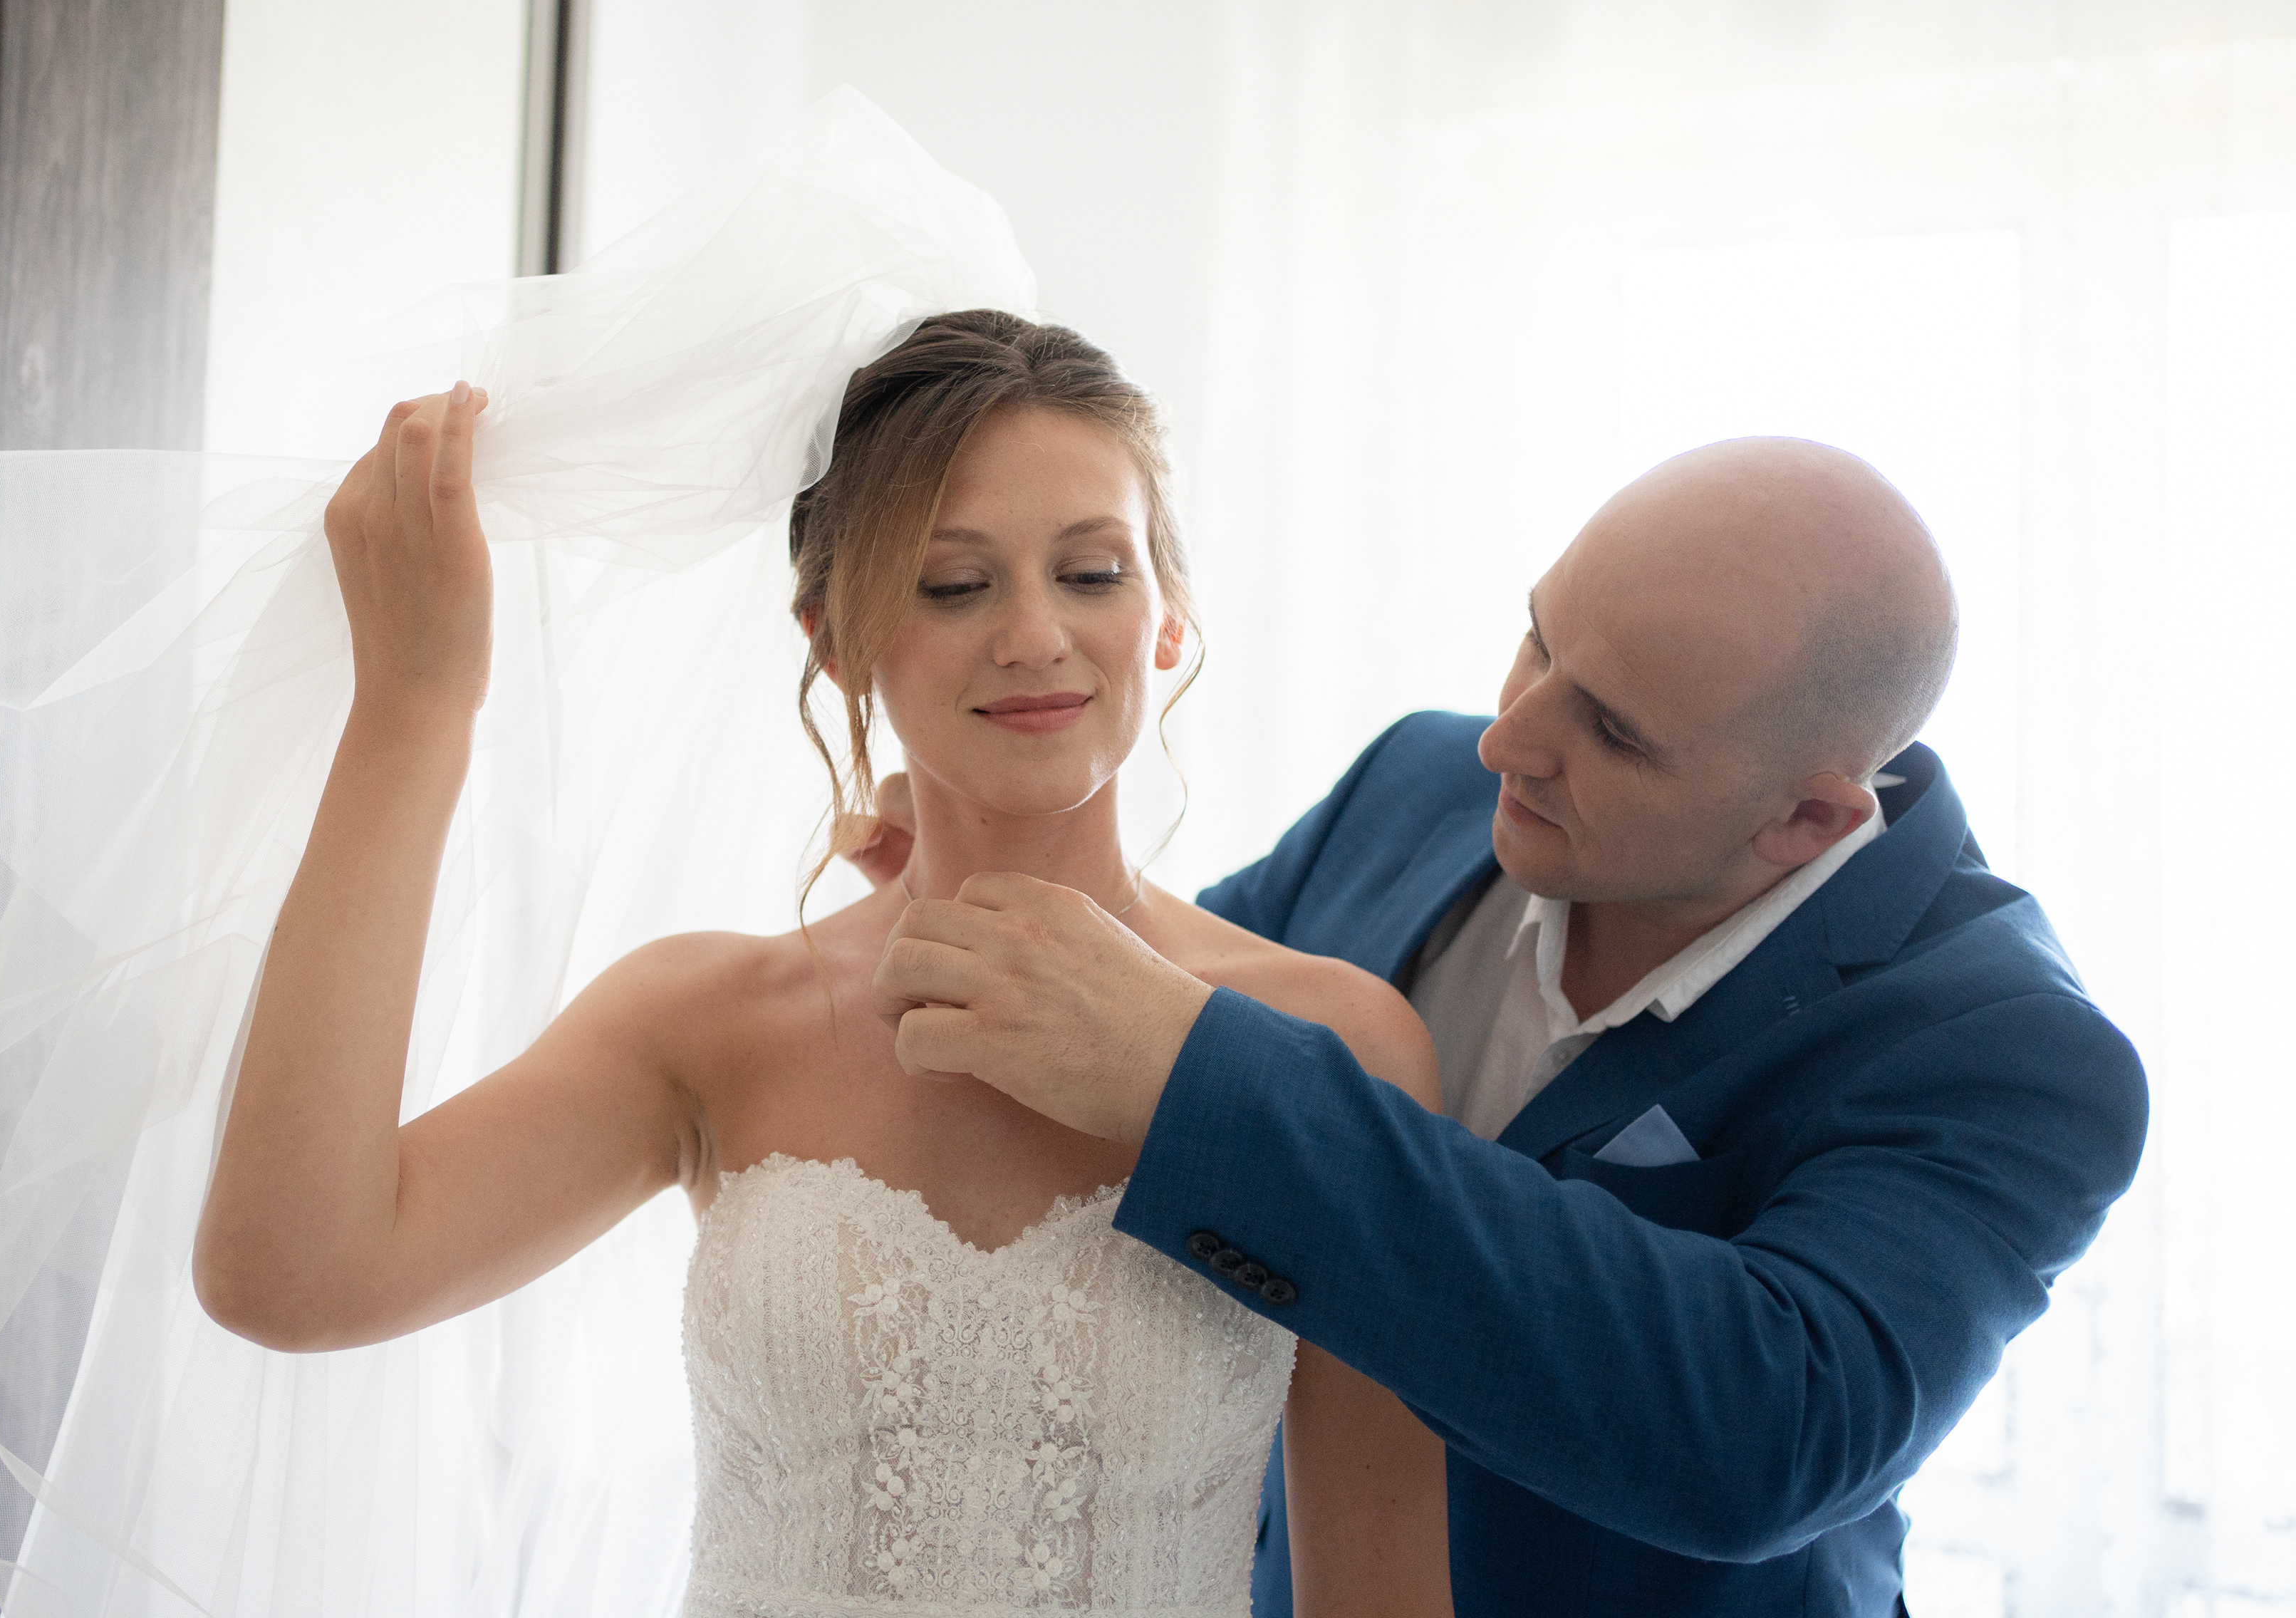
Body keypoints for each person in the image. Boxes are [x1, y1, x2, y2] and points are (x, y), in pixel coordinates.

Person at [194, 311, 1458, 1616]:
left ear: (1169, 620)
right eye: (954, 585)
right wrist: (414, 708)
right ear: (834, 640)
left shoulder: (1334, 1047)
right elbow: (291, 1273)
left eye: (1091, 573)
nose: (1035, 635)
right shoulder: (707, 1022)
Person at [863, 438, 2151, 1617]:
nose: (1506, 740)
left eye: (1614, 733)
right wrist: (996, 875)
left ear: (1806, 822)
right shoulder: (1410, 785)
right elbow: (1127, 1015)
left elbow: (1765, 1432)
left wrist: (1204, 1083)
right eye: (1538, 644)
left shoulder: (2015, 1052)